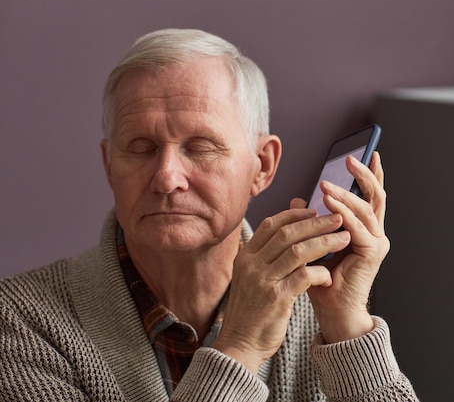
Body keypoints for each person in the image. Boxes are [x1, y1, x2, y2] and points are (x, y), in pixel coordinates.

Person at [0, 28, 418, 401]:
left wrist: (347, 326)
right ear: (110, 165)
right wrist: (241, 344)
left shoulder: (317, 308)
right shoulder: (19, 321)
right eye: (141, 147)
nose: (166, 178)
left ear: (263, 165)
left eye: (200, 147)